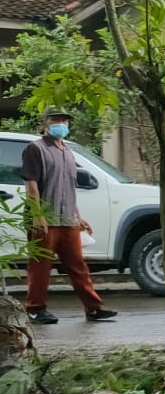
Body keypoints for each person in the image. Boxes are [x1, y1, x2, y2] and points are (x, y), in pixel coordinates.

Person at [20, 108, 115, 324]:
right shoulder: (35, 149)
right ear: (45, 123)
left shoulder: (67, 152)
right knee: (40, 267)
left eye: (64, 120)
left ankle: (93, 308)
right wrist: (37, 215)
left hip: (67, 219)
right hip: (45, 220)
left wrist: (78, 217)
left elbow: (69, 187)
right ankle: (35, 309)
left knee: (78, 266)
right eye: (55, 120)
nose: (60, 124)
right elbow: (31, 184)